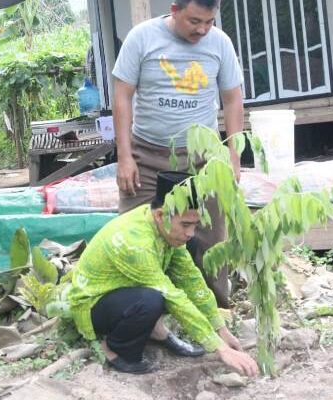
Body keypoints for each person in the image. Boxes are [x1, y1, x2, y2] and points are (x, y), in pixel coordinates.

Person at [112, 0, 244, 307]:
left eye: (209, 22)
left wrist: (233, 155)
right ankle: (138, 311)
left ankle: (215, 310)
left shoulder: (220, 43)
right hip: (147, 155)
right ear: (174, 10)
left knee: (210, 237)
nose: (202, 30)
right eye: (194, 21)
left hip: (203, 158)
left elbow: (232, 99)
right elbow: (122, 96)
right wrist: (124, 156)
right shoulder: (142, 37)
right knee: (133, 232)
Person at [68, 171, 258, 376]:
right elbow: (171, 295)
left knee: (190, 248)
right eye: (185, 224)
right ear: (160, 215)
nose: (190, 232)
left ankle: (155, 329)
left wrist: (221, 330)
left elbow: (190, 279)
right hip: (94, 304)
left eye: (195, 224)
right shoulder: (135, 244)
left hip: (129, 288)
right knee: (151, 300)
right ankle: (115, 347)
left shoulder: (163, 226)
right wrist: (219, 348)